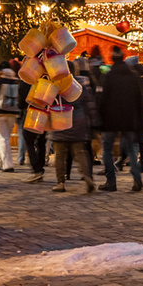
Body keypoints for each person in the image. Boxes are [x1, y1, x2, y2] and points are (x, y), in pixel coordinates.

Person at [98, 55, 143, 192]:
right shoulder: (134, 77)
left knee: (107, 150)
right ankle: (137, 179)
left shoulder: (109, 76)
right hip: (130, 119)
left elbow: (103, 99)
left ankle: (111, 181)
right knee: (132, 149)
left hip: (111, 119)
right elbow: (141, 100)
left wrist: (101, 119)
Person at [49, 59, 97, 194]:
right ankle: (88, 177)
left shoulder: (57, 84)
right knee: (81, 152)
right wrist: (92, 121)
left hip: (60, 120)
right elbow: (90, 104)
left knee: (60, 155)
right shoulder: (82, 83)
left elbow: (49, 100)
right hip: (79, 122)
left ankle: (60, 183)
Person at [0, 61, 22, 172]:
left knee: (3, 138)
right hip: (13, 112)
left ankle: (7, 164)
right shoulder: (17, 81)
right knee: (3, 137)